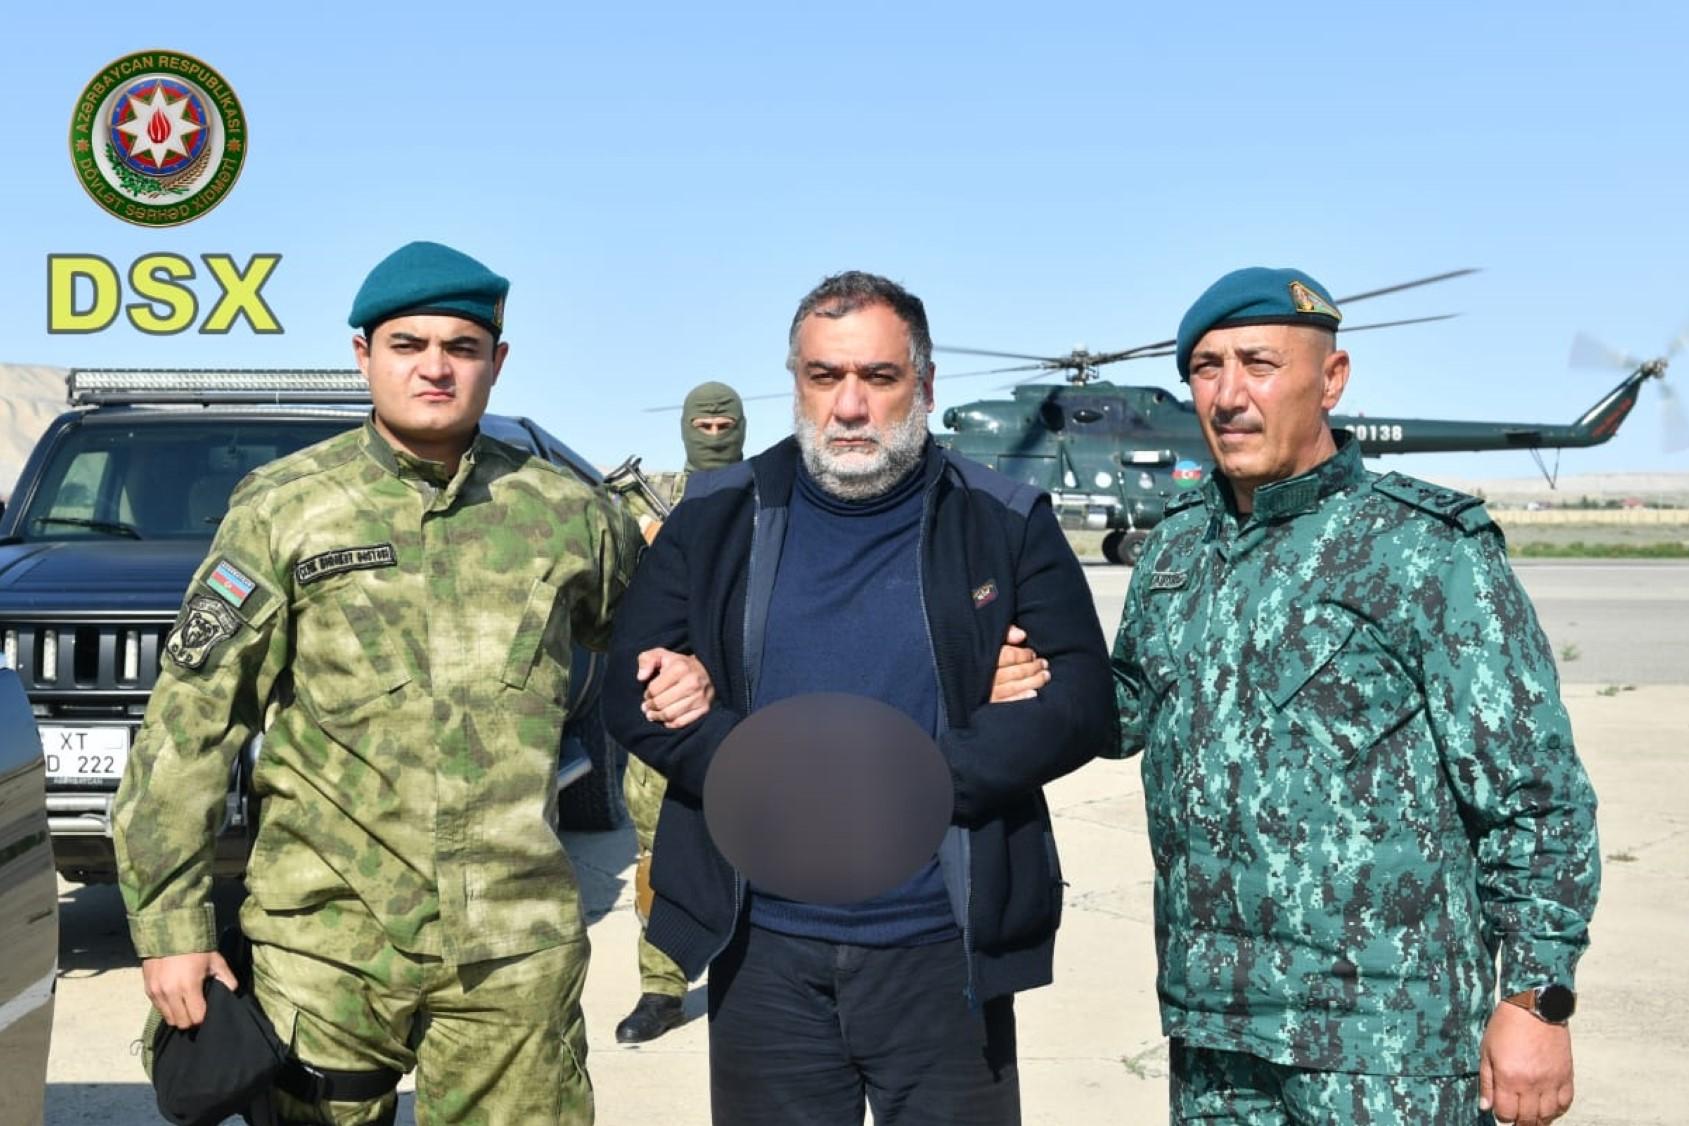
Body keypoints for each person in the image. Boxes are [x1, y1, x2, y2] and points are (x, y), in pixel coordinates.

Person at [114, 241, 643, 1125]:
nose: (435, 367)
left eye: (461, 348)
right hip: (327, 946)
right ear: (364, 355)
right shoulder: (285, 508)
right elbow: (191, 723)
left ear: (495, 363)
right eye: (408, 345)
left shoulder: (571, 515)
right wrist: (173, 931)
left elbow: (653, 665)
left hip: (513, 952)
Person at [604, 270, 1115, 1123]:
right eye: (823, 377)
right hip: (762, 949)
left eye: (877, 378)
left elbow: (1081, 703)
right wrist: (767, 771)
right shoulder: (719, 517)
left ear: (922, 384)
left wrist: (914, 784)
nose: (848, 407)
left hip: (943, 951)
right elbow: (633, 688)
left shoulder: (1002, 519)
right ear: (795, 384)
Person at [1109, 267, 1600, 1126]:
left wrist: (1534, 1000)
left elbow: (1536, 798)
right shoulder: (1174, 550)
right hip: (1214, 1031)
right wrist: (1010, 661)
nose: (1228, 395)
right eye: (1205, 369)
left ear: (1329, 379)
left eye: (1258, 363)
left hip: (1385, 1044)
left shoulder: (1426, 551)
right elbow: (1121, 708)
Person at [608, 380, 747, 1045]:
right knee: (657, 849)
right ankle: (660, 989)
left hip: (750, 694)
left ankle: (753, 977)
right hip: (664, 701)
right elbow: (604, 586)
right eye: (703, 425)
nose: (713, 434)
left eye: (725, 425)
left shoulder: (773, 490)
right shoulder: (643, 493)